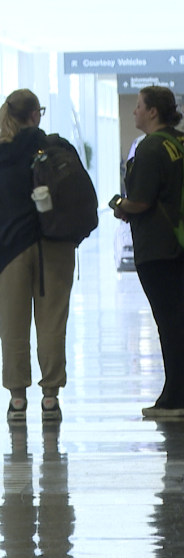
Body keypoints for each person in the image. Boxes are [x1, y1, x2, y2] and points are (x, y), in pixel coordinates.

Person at [0, 89, 75, 423]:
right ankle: (50, 397)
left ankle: (17, 399)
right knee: (52, 324)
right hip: (54, 249)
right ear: (36, 115)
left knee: (12, 328)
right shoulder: (55, 148)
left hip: (7, 253)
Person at [112, 85, 184, 418]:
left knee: (169, 323)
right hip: (178, 243)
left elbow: (139, 201)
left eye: (139, 106)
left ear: (153, 111)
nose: (134, 111)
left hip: (159, 249)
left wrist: (119, 204)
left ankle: (174, 398)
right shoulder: (178, 143)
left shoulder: (150, 148)